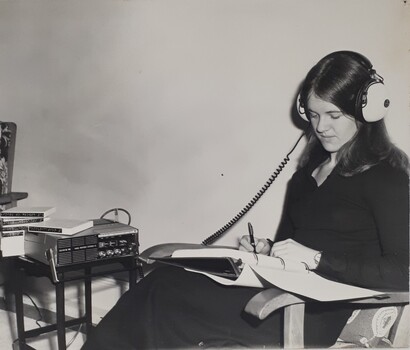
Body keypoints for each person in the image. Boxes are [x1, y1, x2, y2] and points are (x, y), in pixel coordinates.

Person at [82, 51, 409, 349]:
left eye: (333, 115)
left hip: (310, 312)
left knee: (163, 296)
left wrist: (316, 259)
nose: (320, 127)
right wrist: (268, 250)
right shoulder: (308, 171)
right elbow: (290, 244)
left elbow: (402, 270)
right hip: (280, 289)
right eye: (312, 114)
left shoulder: (386, 176)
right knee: (166, 279)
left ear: (366, 109)